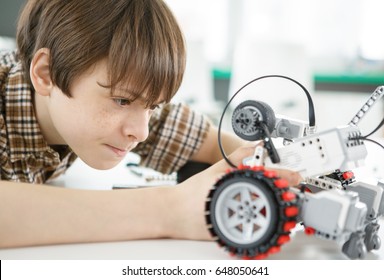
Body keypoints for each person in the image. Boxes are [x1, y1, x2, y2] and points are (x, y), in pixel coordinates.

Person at [0, 0, 300, 248]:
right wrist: (171, 209)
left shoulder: (105, 107)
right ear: (45, 74)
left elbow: (205, 140)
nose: (141, 132)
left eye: (152, 106)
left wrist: (288, 169)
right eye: (121, 101)